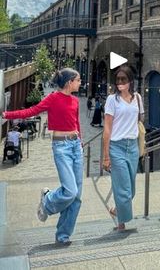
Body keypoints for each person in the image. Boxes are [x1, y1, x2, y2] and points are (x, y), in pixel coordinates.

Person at [2, 68, 83, 246]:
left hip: (76, 146)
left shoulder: (76, 101)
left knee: (76, 198)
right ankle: (48, 200)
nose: (80, 83)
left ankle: (63, 235)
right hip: (61, 147)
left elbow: (77, 123)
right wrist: (6, 115)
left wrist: (81, 142)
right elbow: (31, 111)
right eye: (78, 80)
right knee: (70, 191)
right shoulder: (53, 98)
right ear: (69, 82)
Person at [103, 65, 144, 230]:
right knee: (123, 190)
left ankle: (117, 210)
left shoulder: (138, 98)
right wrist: (106, 156)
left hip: (132, 146)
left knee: (131, 189)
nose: (120, 82)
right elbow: (107, 128)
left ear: (130, 81)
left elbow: (139, 119)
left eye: (123, 79)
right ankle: (122, 223)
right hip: (116, 147)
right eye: (117, 79)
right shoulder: (112, 100)